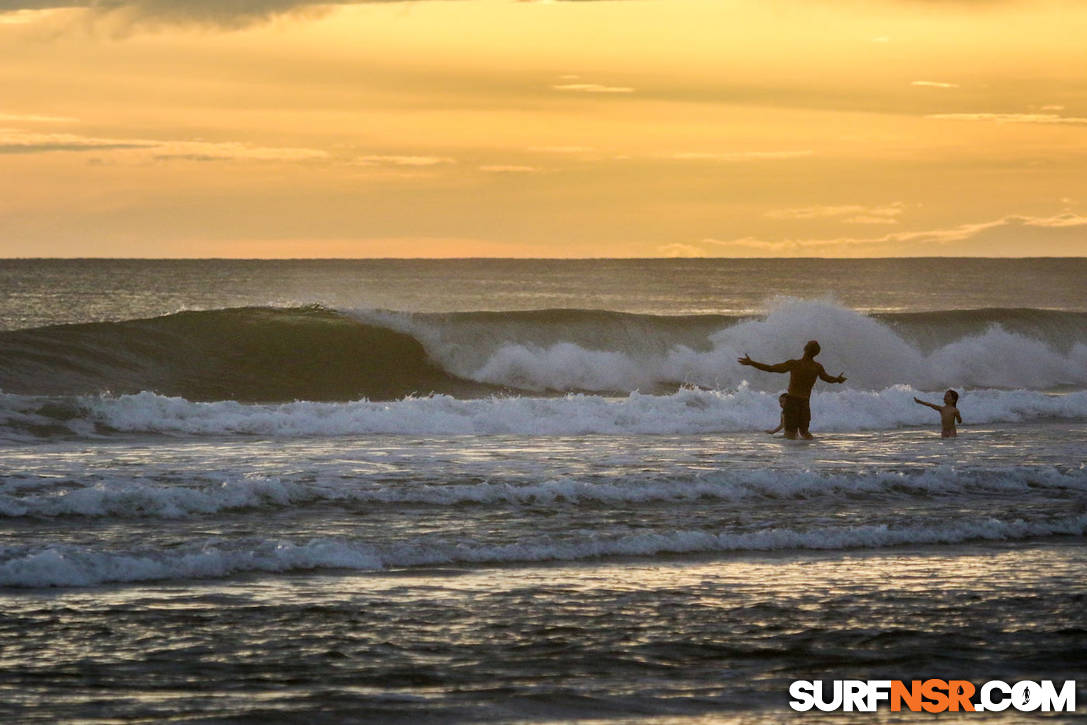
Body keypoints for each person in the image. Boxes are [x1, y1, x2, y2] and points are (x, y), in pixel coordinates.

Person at [738, 340, 846, 439]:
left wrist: (752, 363)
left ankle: (790, 459)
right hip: (805, 402)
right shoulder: (817, 367)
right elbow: (827, 378)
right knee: (805, 433)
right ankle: (811, 454)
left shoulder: (794, 364)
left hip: (792, 402)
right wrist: (837, 379)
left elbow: (771, 369)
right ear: (816, 353)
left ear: (805, 348)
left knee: (790, 433)